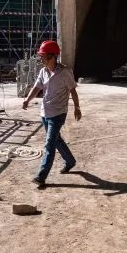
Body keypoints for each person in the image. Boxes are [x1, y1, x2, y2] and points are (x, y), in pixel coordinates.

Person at [22, 39, 81, 188]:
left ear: (53, 56)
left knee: (49, 143)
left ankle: (41, 176)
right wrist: (27, 100)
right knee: (56, 140)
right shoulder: (43, 71)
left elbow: (73, 90)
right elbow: (36, 88)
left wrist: (77, 107)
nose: (41, 59)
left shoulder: (65, 72)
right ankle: (70, 161)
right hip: (45, 112)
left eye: (44, 56)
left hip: (58, 113)